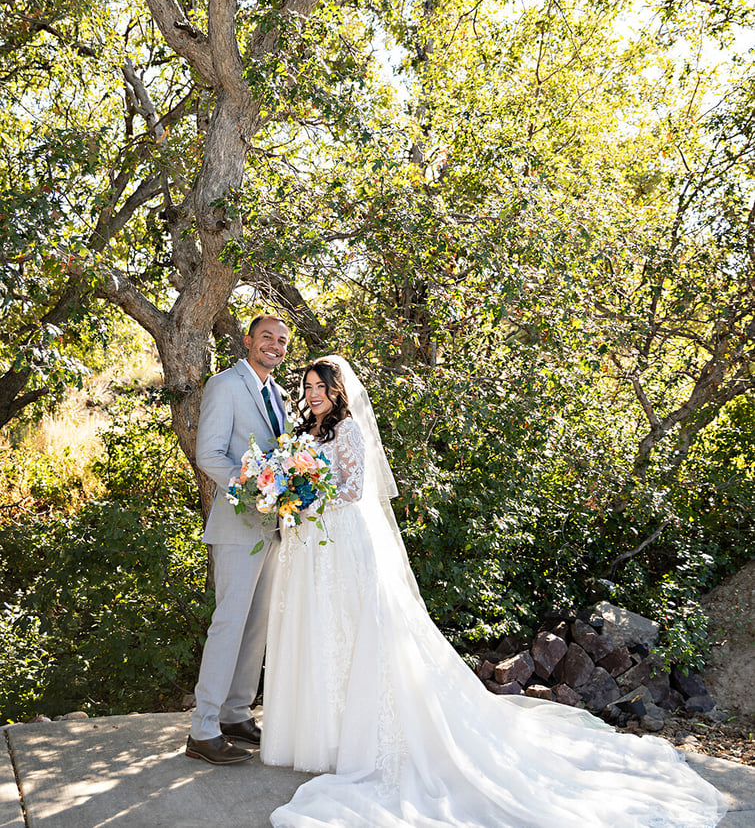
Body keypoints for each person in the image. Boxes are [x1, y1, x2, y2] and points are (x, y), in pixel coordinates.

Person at [261, 356, 727, 827]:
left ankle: (361, 736)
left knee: (354, 633)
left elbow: (356, 489)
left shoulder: (349, 431)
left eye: (321, 386)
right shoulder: (304, 432)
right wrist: (288, 491)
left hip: (343, 545)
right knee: (319, 632)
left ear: (338, 391)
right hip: (311, 547)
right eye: (308, 386)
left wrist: (305, 492)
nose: (314, 393)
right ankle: (319, 735)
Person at [186, 314, 291, 765]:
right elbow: (207, 453)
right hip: (237, 525)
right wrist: (253, 489)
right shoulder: (225, 385)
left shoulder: (281, 394)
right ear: (248, 340)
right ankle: (203, 729)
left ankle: (235, 712)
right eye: (266, 336)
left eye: (282, 340)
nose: (275, 345)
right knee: (229, 623)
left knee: (257, 625)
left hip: (273, 527)